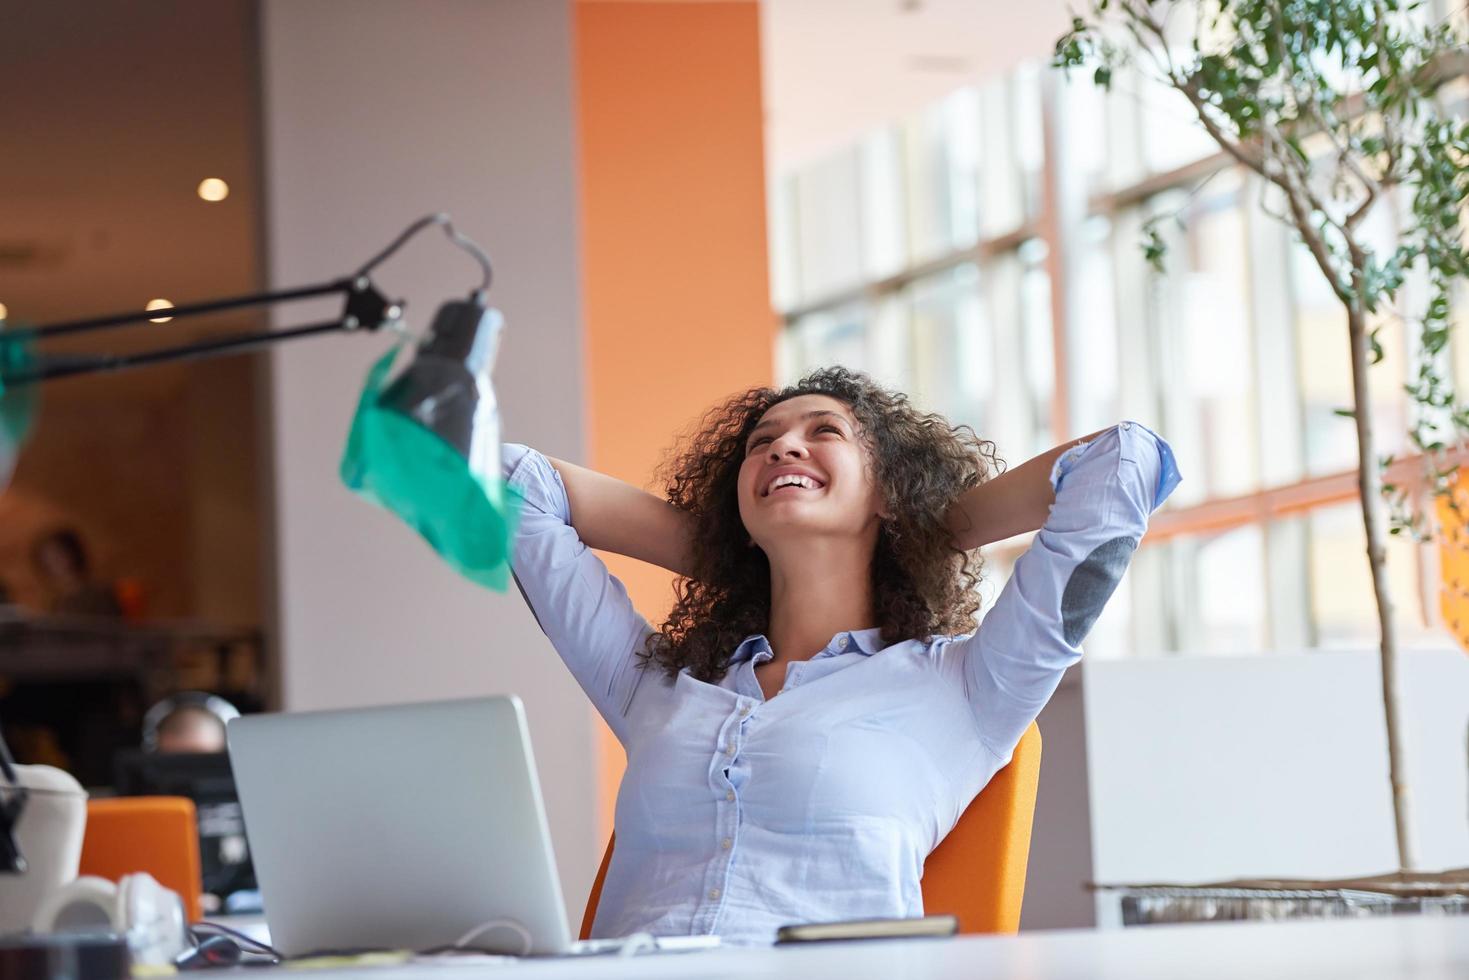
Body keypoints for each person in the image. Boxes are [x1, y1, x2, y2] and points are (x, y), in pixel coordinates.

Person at [505, 366, 1179, 946]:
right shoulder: (658, 687)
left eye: (822, 432)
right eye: (760, 445)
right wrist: (731, 551)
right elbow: (512, 483)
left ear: (889, 490)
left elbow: (1122, 462)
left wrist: (921, 531)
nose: (782, 447)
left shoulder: (969, 686)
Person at [30, 527, 122, 618]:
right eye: (48, 559)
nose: (54, 563)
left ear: (73, 553)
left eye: (58, 555)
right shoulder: (58, 604)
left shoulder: (103, 594)